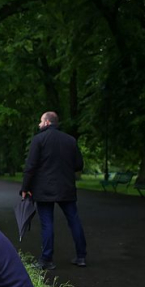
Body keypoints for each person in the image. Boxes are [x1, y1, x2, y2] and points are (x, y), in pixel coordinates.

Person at [21, 111, 87, 269]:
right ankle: (81, 257)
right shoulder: (70, 140)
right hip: (66, 188)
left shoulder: (39, 140)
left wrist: (25, 187)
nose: (38, 124)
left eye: (40, 121)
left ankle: (47, 260)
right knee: (74, 221)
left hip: (44, 189)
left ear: (47, 123)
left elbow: (31, 166)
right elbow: (79, 164)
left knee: (47, 224)